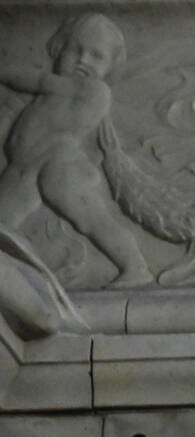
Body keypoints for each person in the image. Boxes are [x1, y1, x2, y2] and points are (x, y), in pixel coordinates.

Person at [0, 13, 154, 288]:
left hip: (60, 164)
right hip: (25, 167)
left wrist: (6, 72)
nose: (83, 60)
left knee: (91, 219)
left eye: (97, 56)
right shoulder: (55, 92)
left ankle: (135, 265)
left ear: (111, 67)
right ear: (58, 50)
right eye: (75, 50)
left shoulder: (93, 90)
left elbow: (35, 81)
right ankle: (24, 281)